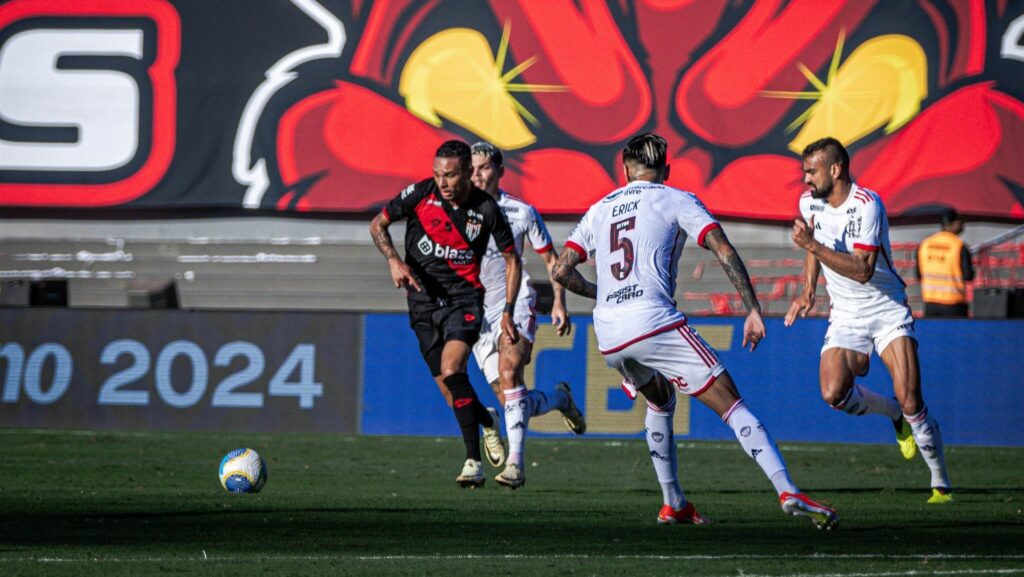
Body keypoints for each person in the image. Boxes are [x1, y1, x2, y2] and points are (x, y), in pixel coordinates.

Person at [553, 132, 838, 528]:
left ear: (624, 170)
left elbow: (561, 270)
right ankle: (787, 489)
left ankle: (674, 504)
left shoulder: (600, 208)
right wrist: (753, 309)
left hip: (609, 331)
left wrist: (602, 295)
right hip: (652, 319)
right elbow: (722, 249)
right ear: (666, 170)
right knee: (732, 404)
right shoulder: (677, 198)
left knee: (660, 400)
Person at [784, 136, 952, 504]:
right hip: (846, 314)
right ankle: (889, 411)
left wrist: (812, 246)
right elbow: (814, 246)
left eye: (811, 172)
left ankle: (940, 482)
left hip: (886, 310)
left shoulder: (867, 205)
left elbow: (862, 270)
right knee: (833, 393)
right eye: (804, 173)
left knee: (912, 399)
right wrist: (808, 292)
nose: (806, 180)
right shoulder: (809, 203)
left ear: (836, 169)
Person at [369, 139, 521, 488]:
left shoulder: (486, 209)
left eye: (451, 175)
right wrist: (393, 260)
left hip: (464, 300)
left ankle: (473, 462)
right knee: (450, 390)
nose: (444, 183)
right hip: (422, 301)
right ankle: (487, 421)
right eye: (438, 175)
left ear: (469, 172)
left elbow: (513, 259)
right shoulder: (421, 194)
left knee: (453, 368)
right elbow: (378, 224)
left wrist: (508, 311)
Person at [468, 141, 586, 490]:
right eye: (472, 168)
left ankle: (515, 466)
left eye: (484, 167)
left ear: (500, 171)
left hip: (515, 301)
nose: (477, 174)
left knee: (509, 370)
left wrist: (559, 303)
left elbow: (552, 262)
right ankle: (560, 398)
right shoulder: (457, 210)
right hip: (477, 312)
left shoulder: (521, 212)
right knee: (511, 401)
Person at [916, 208, 974, 317]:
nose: (963, 226)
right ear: (953, 223)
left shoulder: (925, 244)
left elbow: (919, 274)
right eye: (961, 222)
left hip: (930, 303)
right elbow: (968, 276)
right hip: (954, 304)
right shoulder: (959, 246)